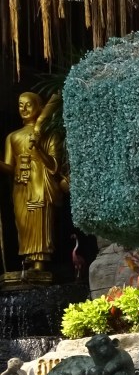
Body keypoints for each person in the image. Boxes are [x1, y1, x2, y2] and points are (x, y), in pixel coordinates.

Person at [0, 92, 66, 275]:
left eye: (28, 104)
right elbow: (9, 167)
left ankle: (40, 264)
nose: (24, 109)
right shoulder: (12, 137)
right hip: (21, 186)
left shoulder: (48, 134)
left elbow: (54, 166)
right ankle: (28, 259)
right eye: (20, 105)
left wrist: (38, 148)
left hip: (40, 183)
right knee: (23, 224)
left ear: (39, 106)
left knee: (40, 222)